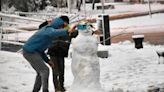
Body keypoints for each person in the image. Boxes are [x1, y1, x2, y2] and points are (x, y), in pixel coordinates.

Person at [22, 16, 76, 92]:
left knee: (40, 72)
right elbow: (54, 32)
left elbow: (40, 51)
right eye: (64, 25)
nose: (64, 27)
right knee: (45, 70)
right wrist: (67, 31)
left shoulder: (49, 31)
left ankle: (35, 90)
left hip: (32, 51)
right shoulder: (48, 29)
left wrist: (47, 61)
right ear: (60, 23)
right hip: (30, 51)